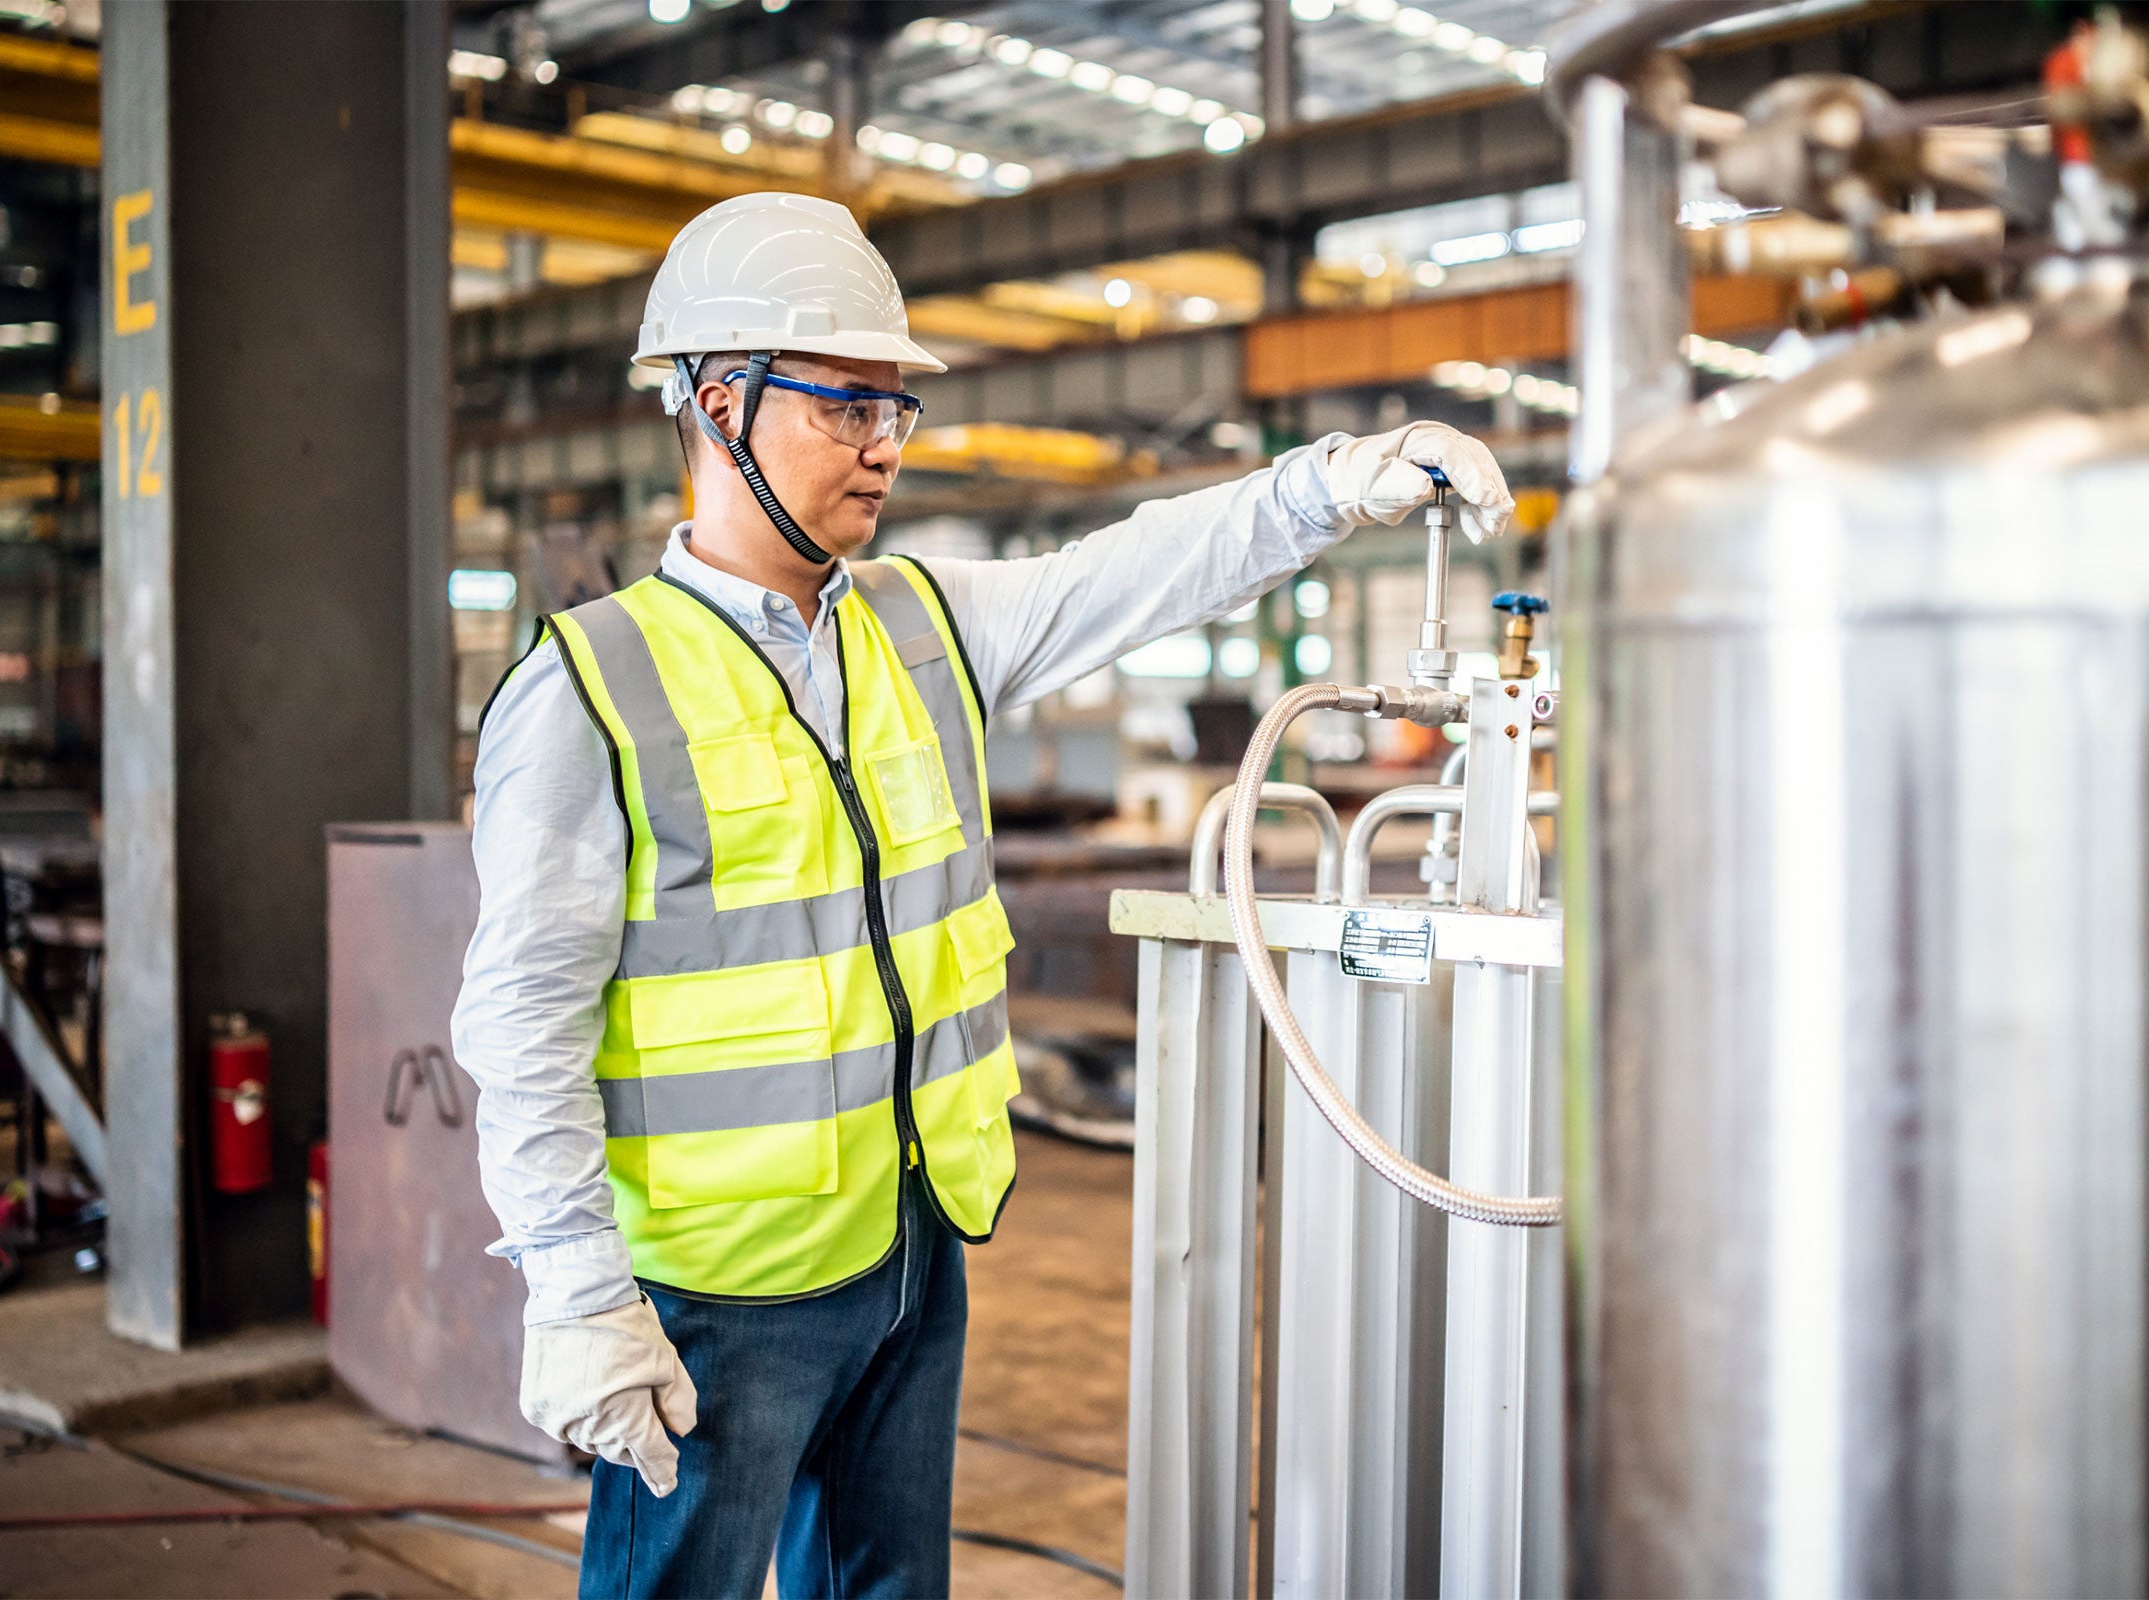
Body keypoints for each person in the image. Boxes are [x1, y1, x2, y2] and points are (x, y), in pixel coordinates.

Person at [451, 191, 1514, 1600]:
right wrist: (579, 1292)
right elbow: (520, 1019)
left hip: (910, 1245)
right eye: (846, 406)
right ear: (719, 398)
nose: (883, 447)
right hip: (716, 1297)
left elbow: (1132, 572)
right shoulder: (590, 687)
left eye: (896, 411)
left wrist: (1328, 484)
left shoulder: (922, 620)